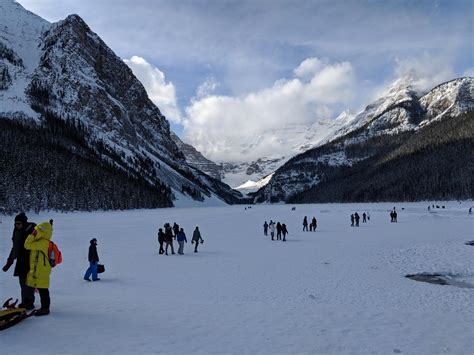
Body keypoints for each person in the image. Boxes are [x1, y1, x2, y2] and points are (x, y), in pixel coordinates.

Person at [2, 213, 36, 310]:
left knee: (29, 282)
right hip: (21, 260)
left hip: (31, 260)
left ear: (24, 223)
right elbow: (15, 247)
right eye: (16, 224)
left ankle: (29, 302)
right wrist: (10, 260)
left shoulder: (32, 230)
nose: (17, 225)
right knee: (22, 283)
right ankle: (25, 301)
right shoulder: (17, 231)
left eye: (19, 223)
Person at [24, 221, 54, 316]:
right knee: (42, 289)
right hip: (40, 270)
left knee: (43, 290)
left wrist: (32, 235)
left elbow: (27, 245)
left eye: (37, 231)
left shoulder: (43, 242)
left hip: (41, 270)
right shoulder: (41, 242)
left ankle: (45, 309)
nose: (35, 232)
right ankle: (43, 307)